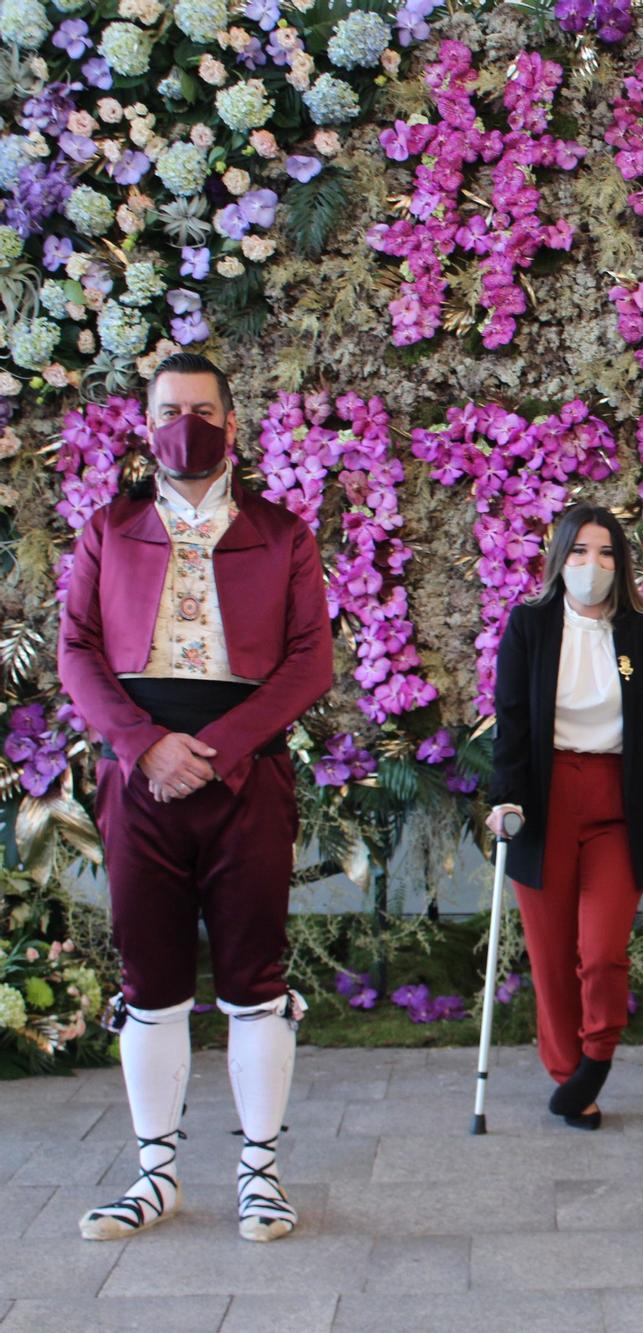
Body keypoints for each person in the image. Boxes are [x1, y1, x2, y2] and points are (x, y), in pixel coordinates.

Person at [59, 352, 333, 1241]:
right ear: (147, 426)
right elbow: (77, 651)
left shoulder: (284, 532)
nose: (190, 422)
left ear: (233, 422)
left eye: (205, 408)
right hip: (140, 776)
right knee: (151, 983)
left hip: (245, 773)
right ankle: (156, 1176)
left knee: (255, 981)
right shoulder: (109, 528)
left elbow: (309, 661)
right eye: (172, 408)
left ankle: (261, 1176)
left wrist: (219, 751)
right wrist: (146, 747)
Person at [488, 505, 643, 1130]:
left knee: (601, 952)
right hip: (545, 803)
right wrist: (506, 798)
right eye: (579, 552)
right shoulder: (530, 625)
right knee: (550, 957)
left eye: (605, 553)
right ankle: (565, 1074)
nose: (591, 565)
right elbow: (512, 720)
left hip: (615, 807)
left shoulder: (638, 631)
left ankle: (596, 1058)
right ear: (559, 559)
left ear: (620, 563)